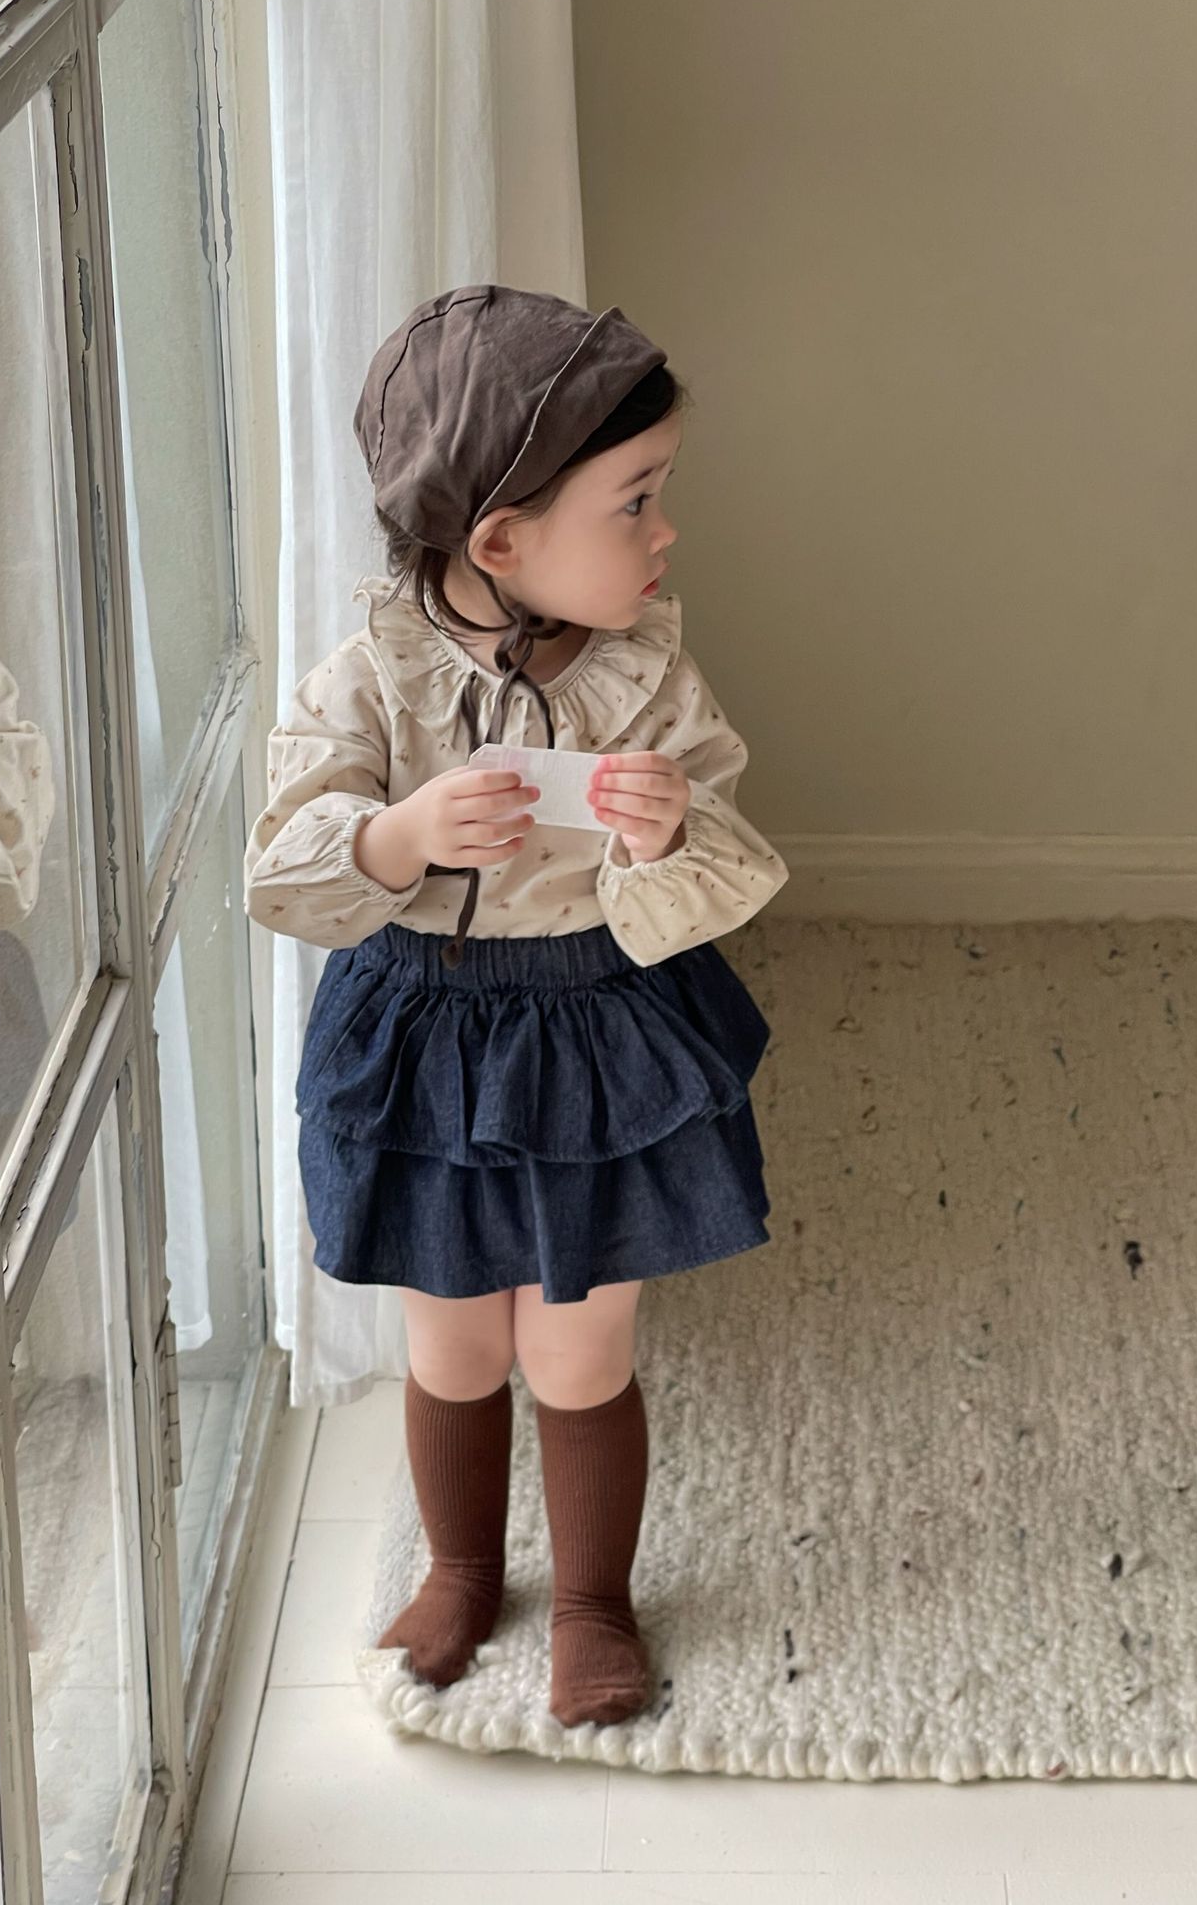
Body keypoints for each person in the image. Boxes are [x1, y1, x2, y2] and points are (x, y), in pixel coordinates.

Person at [243, 284, 788, 1730]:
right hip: (423, 1046)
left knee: (579, 1345)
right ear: (499, 542)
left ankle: (596, 1601)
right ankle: (463, 1570)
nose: (666, 534)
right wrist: (396, 838)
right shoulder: (370, 681)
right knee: (456, 1340)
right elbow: (282, 870)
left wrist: (666, 833)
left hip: (596, 1036)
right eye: (636, 502)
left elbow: (734, 864)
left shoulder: (646, 676)